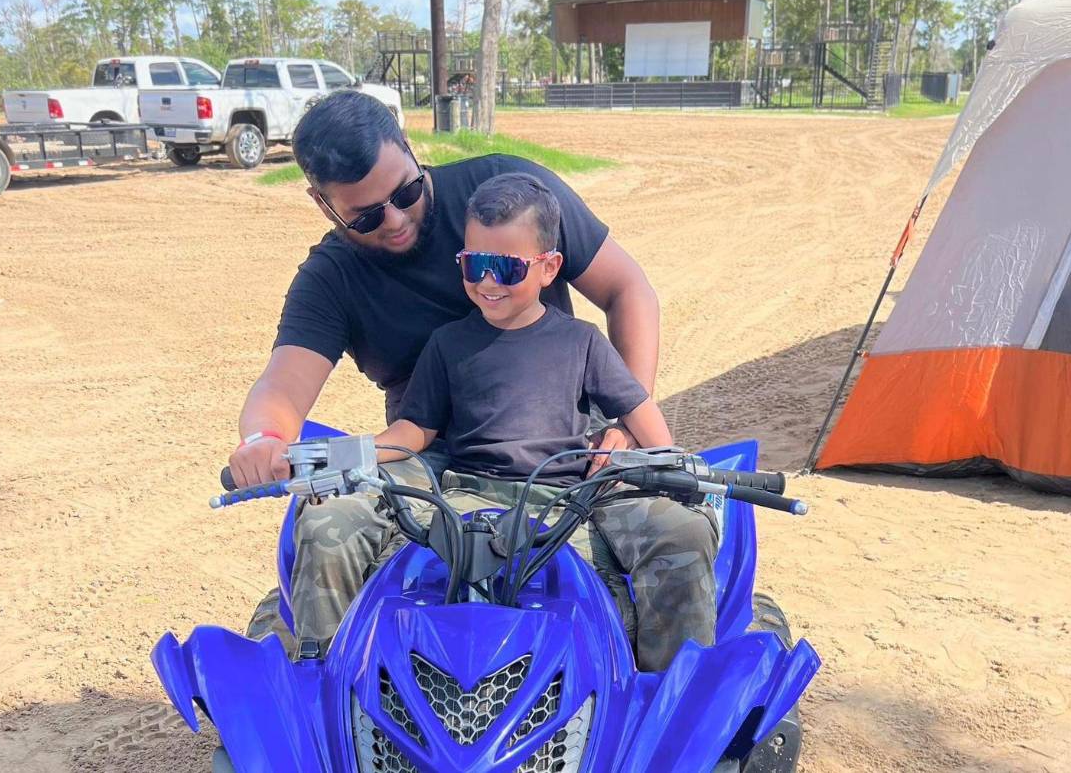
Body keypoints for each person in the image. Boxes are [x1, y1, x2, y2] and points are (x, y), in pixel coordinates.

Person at [225, 90, 668, 662]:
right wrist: (263, 439)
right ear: (322, 203)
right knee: (326, 519)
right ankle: (328, 689)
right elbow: (284, 385)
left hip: (562, 441)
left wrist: (625, 425)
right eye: (365, 216)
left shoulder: (510, 196)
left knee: (674, 528)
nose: (395, 220)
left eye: (405, 192)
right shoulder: (332, 278)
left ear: (410, 148)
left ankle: (669, 691)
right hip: (426, 453)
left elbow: (628, 289)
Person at [371, 173, 720, 671]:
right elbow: (415, 431)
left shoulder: (582, 342)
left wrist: (670, 464)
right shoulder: (446, 344)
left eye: (506, 268)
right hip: (467, 499)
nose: (487, 282)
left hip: (566, 502)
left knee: (672, 544)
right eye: (474, 264)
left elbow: (637, 410)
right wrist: (355, 453)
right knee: (402, 583)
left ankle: (668, 693)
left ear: (549, 267)